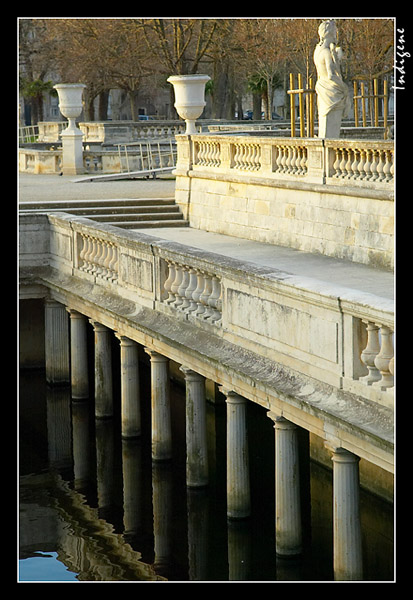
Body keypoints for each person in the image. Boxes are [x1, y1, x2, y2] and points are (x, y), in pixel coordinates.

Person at [313, 19, 350, 138]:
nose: (336, 35)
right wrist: (344, 88)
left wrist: (336, 57)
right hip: (331, 91)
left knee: (326, 127)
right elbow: (331, 75)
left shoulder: (317, 50)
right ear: (329, 33)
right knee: (331, 128)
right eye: (335, 32)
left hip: (323, 87)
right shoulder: (326, 52)